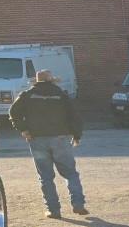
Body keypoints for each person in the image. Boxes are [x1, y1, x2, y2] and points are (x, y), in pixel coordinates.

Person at [8, 70, 88, 218]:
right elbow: (74, 116)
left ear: (36, 81)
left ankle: (53, 210)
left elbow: (13, 113)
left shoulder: (27, 95)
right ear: (52, 81)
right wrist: (77, 135)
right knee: (70, 173)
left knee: (45, 177)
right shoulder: (61, 95)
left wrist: (24, 130)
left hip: (37, 139)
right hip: (60, 138)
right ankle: (78, 204)